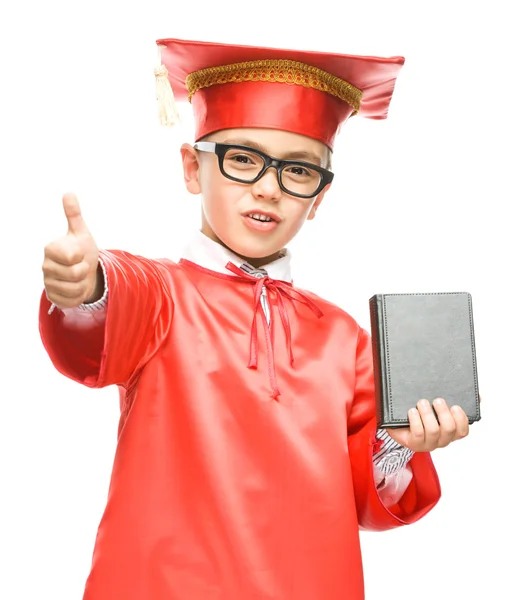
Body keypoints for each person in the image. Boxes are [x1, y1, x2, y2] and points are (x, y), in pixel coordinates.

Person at [39, 37, 471, 600]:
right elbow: (114, 297)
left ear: (318, 197)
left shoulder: (344, 339)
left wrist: (402, 443)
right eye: (243, 159)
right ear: (194, 168)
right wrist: (84, 286)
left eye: (298, 170)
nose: (268, 186)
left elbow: (368, 495)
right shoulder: (162, 295)